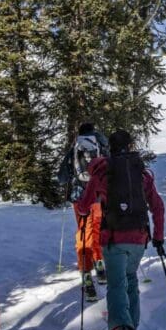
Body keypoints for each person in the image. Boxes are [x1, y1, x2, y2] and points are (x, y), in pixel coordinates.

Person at [75, 130, 166, 330]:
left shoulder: (103, 172)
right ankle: (132, 329)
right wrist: (159, 237)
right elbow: (158, 207)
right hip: (138, 238)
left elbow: (85, 206)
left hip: (114, 238)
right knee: (131, 279)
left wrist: (82, 206)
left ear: (109, 149)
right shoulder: (142, 173)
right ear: (130, 145)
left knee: (116, 285)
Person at [58, 123, 110, 301]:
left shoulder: (75, 147)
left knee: (83, 231)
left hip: (78, 197)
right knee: (95, 229)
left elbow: (61, 177)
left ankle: (86, 272)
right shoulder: (102, 147)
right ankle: (100, 264)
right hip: (96, 196)